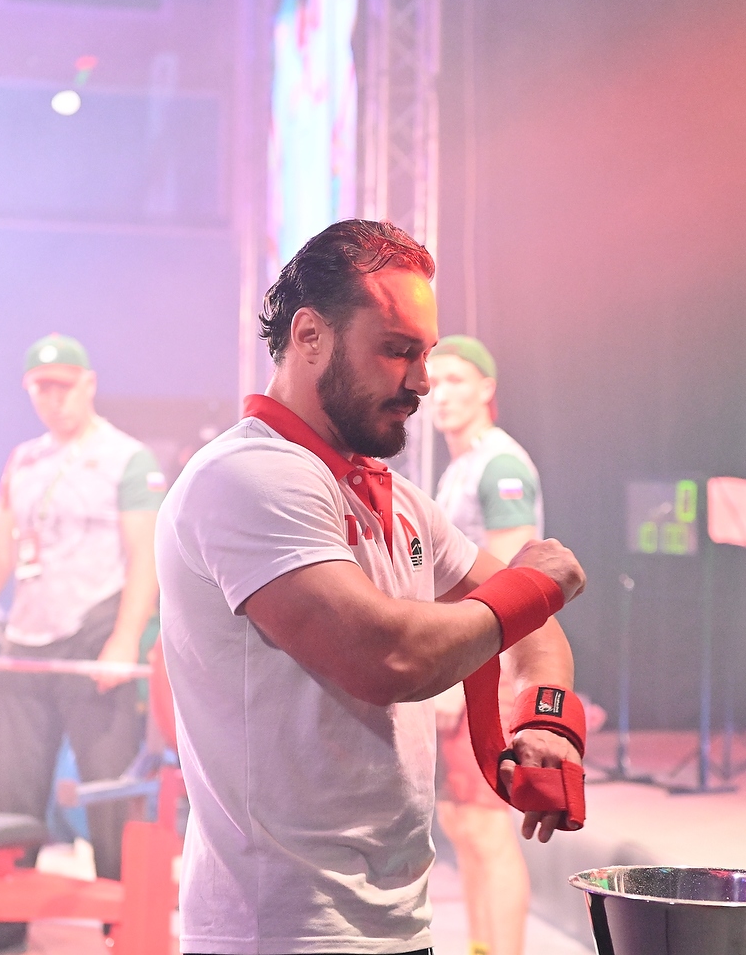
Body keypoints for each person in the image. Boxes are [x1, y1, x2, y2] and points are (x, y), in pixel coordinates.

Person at [157, 219, 587, 955]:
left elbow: (534, 628)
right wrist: (532, 586)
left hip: (391, 921)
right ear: (310, 336)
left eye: (426, 354)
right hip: (279, 933)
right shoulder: (248, 477)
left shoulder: (398, 497)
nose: (421, 381)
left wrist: (546, 721)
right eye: (396, 350)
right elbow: (387, 658)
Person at [0, 333, 166, 955]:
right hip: (26, 641)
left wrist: (124, 639)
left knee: (109, 798)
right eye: (41, 388)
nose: (53, 398)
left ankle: (127, 936)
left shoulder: (127, 458)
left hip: (94, 639)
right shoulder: (25, 459)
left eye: (63, 386)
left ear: (88, 385)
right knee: (10, 799)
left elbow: (145, 557)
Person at [427, 335, 541, 955]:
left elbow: (510, 588)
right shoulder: (460, 467)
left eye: (456, 381)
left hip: (487, 669)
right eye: (434, 382)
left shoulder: (501, 466)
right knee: (461, 823)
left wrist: (458, 674)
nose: (441, 394)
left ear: (486, 389)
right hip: (461, 665)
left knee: (486, 825)